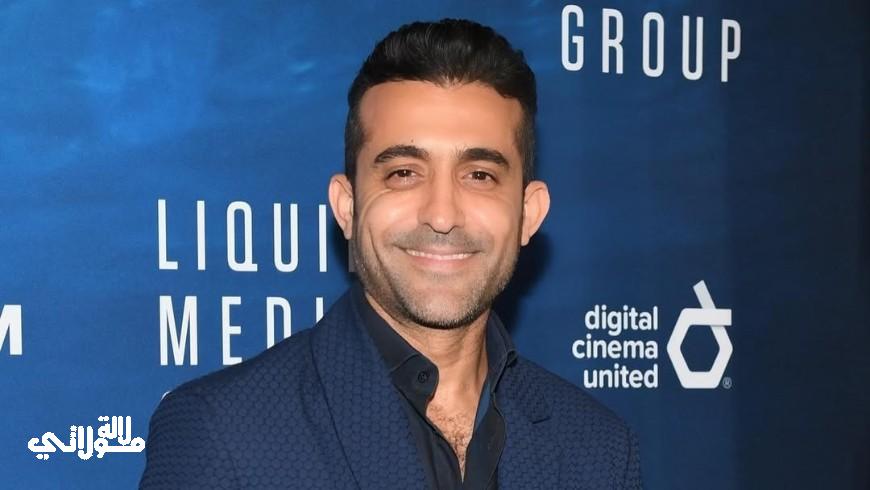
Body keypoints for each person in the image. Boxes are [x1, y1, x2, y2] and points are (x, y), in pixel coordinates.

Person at [140, 18, 642, 490]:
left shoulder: (598, 451)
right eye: (404, 173)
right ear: (347, 206)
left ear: (529, 214)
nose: (442, 214)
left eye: (479, 175)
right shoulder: (223, 435)